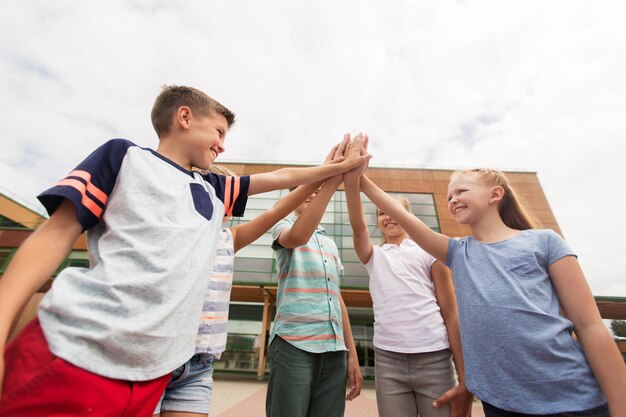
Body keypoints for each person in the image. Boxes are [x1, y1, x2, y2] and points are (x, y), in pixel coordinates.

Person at [0, 85, 370, 416]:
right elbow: (54, 236)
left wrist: (332, 170)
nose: (223, 144)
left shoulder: (211, 190)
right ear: (184, 117)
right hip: (79, 352)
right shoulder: (124, 157)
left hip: (159, 369)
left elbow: (279, 181)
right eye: (219, 132)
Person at [355, 166, 626, 417]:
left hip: (573, 398)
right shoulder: (457, 252)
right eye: (449, 196)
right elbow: (401, 214)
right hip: (501, 404)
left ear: (495, 194)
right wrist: (360, 178)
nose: (452, 199)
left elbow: (590, 325)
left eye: (461, 191)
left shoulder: (544, 242)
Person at [155, 140, 351, 417]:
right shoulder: (171, 232)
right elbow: (282, 211)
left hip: (198, 363)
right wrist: (327, 175)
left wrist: (328, 174)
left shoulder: (227, 239)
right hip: (156, 353)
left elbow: (274, 211)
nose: (218, 200)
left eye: (224, 195)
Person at [344, 159, 473, 417]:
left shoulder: (430, 251)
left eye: (393, 210)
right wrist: (352, 183)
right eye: (381, 212)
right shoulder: (373, 255)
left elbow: (450, 312)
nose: (388, 216)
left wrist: (464, 376)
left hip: (434, 357)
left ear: (408, 216)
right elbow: (358, 228)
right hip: (388, 360)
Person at [265, 134, 364, 417]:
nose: (310, 193)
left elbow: (337, 299)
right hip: (294, 343)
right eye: (305, 189)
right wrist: (330, 179)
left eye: (315, 188)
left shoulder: (330, 243)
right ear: (292, 198)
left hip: (334, 350)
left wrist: (351, 354)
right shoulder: (281, 225)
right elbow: (297, 236)